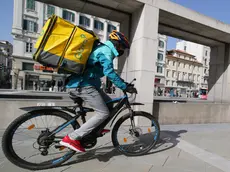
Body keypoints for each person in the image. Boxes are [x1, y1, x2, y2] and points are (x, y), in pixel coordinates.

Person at [60, 30, 137, 152]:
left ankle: (97, 128)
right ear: (117, 44)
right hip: (83, 85)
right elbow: (109, 72)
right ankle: (71, 138)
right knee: (103, 113)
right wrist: (124, 86)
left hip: (87, 85)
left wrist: (123, 83)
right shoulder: (106, 51)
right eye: (122, 46)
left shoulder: (103, 49)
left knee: (109, 103)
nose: (122, 50)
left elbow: (104, 72)